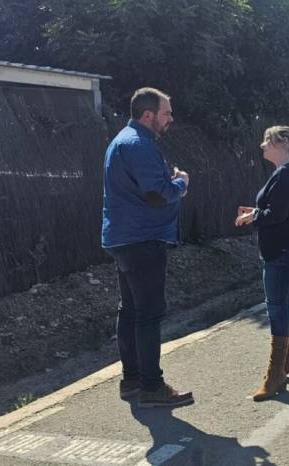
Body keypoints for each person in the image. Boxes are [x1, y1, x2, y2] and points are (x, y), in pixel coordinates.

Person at [101, 87, 194, 408]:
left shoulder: (123, 141)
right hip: (143, 239)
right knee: (149, 314)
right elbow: (156, 194)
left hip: (124, 238)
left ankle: (131, 380)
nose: (171, 118)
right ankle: (152, 387)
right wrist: (180, 182)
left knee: (129, 310)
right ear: (148, 115)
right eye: (167, 113)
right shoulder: (139, 144)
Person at [235, 126, 289, 402]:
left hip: (283, 251)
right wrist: (255, 212)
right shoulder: (287, 173)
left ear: (281, 144)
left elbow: (277, 215)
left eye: (267, 141)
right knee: (287, 303)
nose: (262, 146)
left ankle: (275, 375)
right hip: (288, 249)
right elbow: (277, 211)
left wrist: (253, 217)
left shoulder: (286, 173)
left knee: (277, 309)